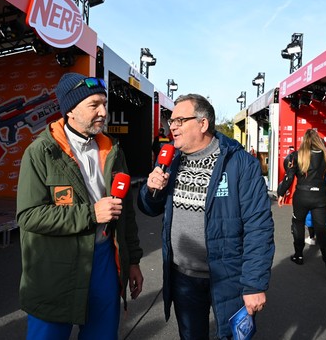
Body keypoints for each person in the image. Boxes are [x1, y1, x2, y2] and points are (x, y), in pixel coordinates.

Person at [16, 73, 144, 340]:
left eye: (104, 104)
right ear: (70, 110)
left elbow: (126, 214)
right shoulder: (41, 152)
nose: (103, 111)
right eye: (94, 104)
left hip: (104, 261)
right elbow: (29, 216)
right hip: (55, 267)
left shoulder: (113, 150)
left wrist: (133, 261)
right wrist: (91, 213)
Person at [138, 93, 274, 340]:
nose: (173, 126)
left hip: (228, 277)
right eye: (172, 121)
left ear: (202, 123)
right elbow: (149, 208)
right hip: (183, 278)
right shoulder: (170, 160)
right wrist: (150, 191)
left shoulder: (240, 164)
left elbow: (259, 226)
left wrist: (254, 284)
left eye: (180, 120)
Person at [277, 129, 326, 281]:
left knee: (297, 223)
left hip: (302, 196)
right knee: (321, 229)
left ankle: (299, 256)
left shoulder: (297, 156)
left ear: (304, 140)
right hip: (320, 197)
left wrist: (281, 193)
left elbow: (289, 177)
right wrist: (324, 185)